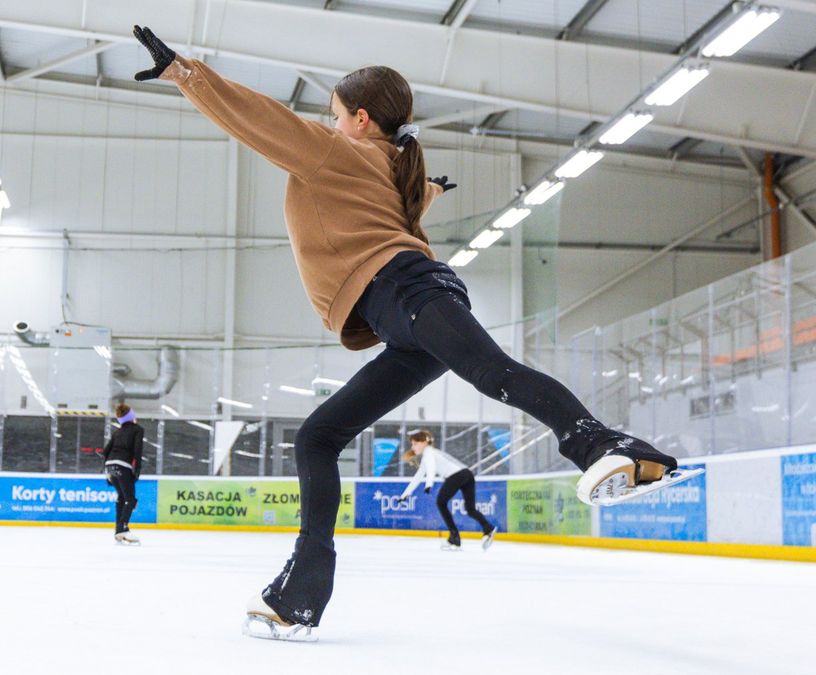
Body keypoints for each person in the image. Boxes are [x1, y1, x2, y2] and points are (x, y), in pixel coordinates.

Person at [130, 26, 684, 640]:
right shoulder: (392, 163)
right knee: (318, 436)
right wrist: (432, 193)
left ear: (361, 119)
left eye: (334, 114)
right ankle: (299, 596)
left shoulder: (336, 152)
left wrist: (185, 73)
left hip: (406, 291)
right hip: (407, 310)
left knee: (494, 374)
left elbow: (259, 118)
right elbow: (406, 196)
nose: (328, 123)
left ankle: (608, 447)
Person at [400, 430, 496, 552]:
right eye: (412, 444)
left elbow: (431, 469)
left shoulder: (429, 453)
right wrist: (405, 494)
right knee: (470, 510)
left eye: (415, 444)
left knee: (441, 502)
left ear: (424, 442)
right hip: (467, 475)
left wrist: (429, 484)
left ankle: (454, 537)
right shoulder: (428, 455)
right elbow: (418, 477)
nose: (413, 447)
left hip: (456, 476)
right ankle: (488, 528)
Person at [102, 403, 144, 545]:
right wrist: (137, 470)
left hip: (110, 466)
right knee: (130, 500)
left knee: (122, 497)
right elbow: (137, 451)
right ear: (131, 416)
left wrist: (106, 472)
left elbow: (105, 452)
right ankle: (123, 528)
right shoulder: (138, 430)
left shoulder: (117, 432)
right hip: (122, 465)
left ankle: (118, 531)